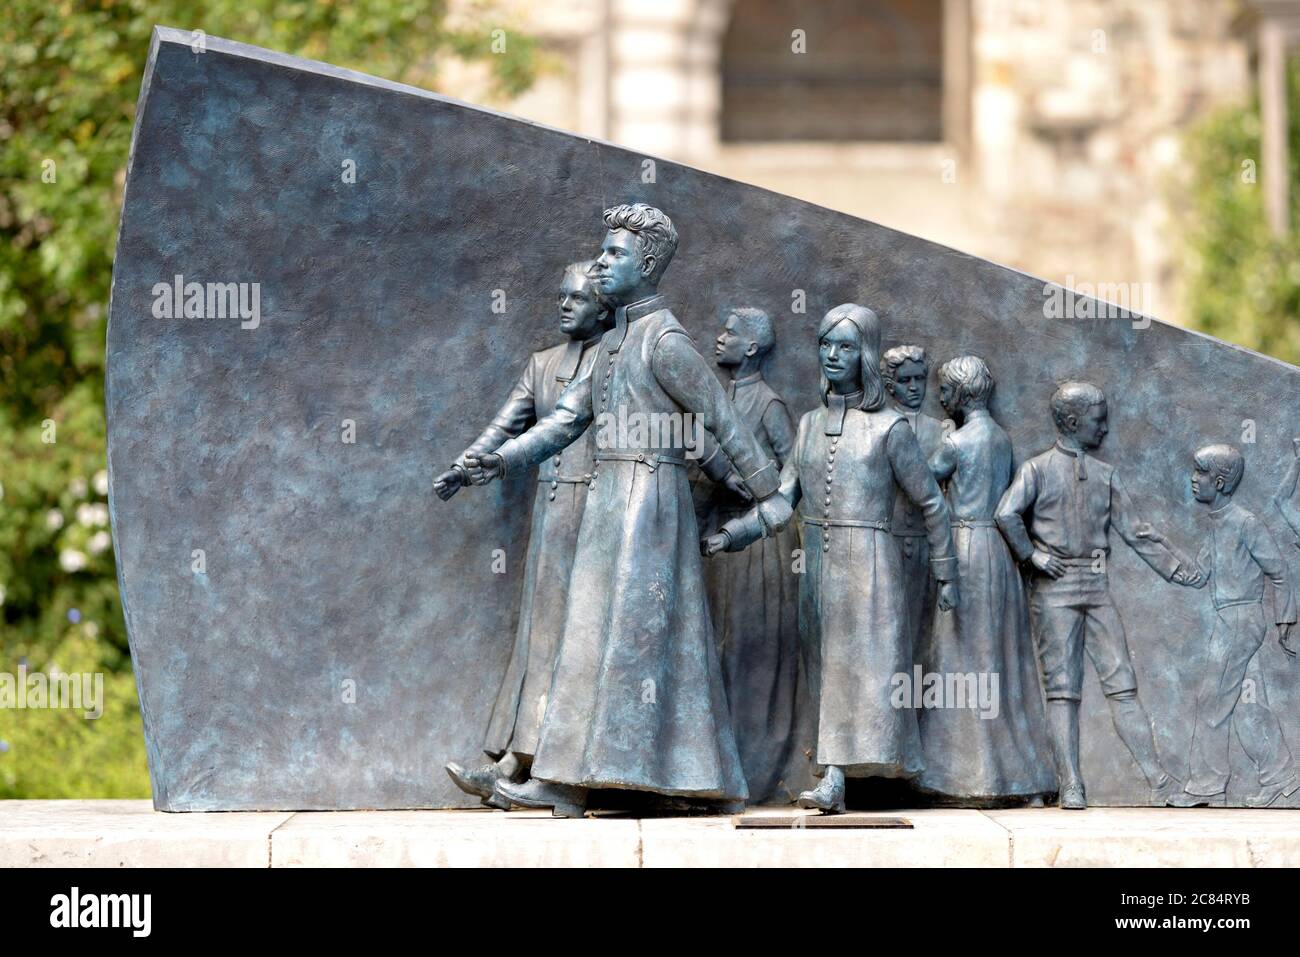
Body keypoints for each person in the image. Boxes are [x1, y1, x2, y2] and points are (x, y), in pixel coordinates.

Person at [463, 204, 791, 816]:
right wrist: (505, 460)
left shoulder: (665, 339)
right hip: (610, 501)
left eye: (612, 253)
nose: (602, 262)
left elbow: (717, 417)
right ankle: (569, 778)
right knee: (587, 637)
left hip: (651, 503)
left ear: (644, 263)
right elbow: (566, 420)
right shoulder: (615, 338)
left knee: (638, 642)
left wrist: (769, 493)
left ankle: (628, 780)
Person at [704, 304, 958, 814]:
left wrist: (946, 572)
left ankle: (838, 777)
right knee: (823, 668)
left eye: (845, 346)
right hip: (818, 567)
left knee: (856, 670)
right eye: (826, 345)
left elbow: (931, 502)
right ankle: (834, 770)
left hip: (870, 567)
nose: (833, 355)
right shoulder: (811, 423)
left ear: (863, 354)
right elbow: (782, 500)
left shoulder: (891, 429)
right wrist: (733, 535)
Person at [434, 261, 611, 808]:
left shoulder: (616, 359)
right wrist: (466, 467)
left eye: (576, 299)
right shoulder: (541, 364)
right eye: (561, 296)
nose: (563, 305)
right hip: (553, 511)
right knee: (541, 635)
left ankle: (557, 767)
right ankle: (515, 760)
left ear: (603, 308)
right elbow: (504, 425)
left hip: (601, 513)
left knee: (580, 640)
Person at [994, 381, 1197, 809]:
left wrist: (1178, 568)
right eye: (1097, 420)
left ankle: (1158, 782)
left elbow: (1137, 531)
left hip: (1097, 586)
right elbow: (1006, 513)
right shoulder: (1037, 469)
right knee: (1063, 690)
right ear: (1071, 422)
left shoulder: (1107, 475)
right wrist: (1032, 556)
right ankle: (1071, 783)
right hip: (1054, 590)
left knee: (1122, 684)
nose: (1105, 428)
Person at [914, 355, 1055, 803]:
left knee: (960, 659)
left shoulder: (957, 442)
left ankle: (963, 776)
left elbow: (921, 481)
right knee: (996, 658)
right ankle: (1018, 775)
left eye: (944, 388)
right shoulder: (1001, 437)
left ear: (961, 392)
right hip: (997, 554)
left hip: (964, 549)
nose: (939, 396)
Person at [1148, 444, 1298, 807]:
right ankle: (1281, 776)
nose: (1193, 479)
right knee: (1249, 703)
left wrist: (1286, 621)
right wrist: (1160, 545)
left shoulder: (1245, 523)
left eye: (1199, 473)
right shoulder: (1217, 524)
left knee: (1213, 700)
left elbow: (1279, 570)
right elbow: (1199, 576)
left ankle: (1207, 786)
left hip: (1240, 621)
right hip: (1230, 619)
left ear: (1220, 482)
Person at [703, 307, 809, 802]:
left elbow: (789, 481)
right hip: (719, 544)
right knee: (719, 649)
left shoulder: (769, 405)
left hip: (760, 548)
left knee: (750, 650)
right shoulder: (719, 397)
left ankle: (757, 770)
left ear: (751, 348)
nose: (719, 338)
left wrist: (742, 483)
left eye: (730, 333)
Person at [881, 345, 946, 656]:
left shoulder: (942, 431)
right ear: (890, 385)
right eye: (905, 380)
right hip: (887, 544)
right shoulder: (880, 427)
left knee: (922, 634)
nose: (914, 387)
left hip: (926, 543)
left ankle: (917, 701)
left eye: (919, 379)